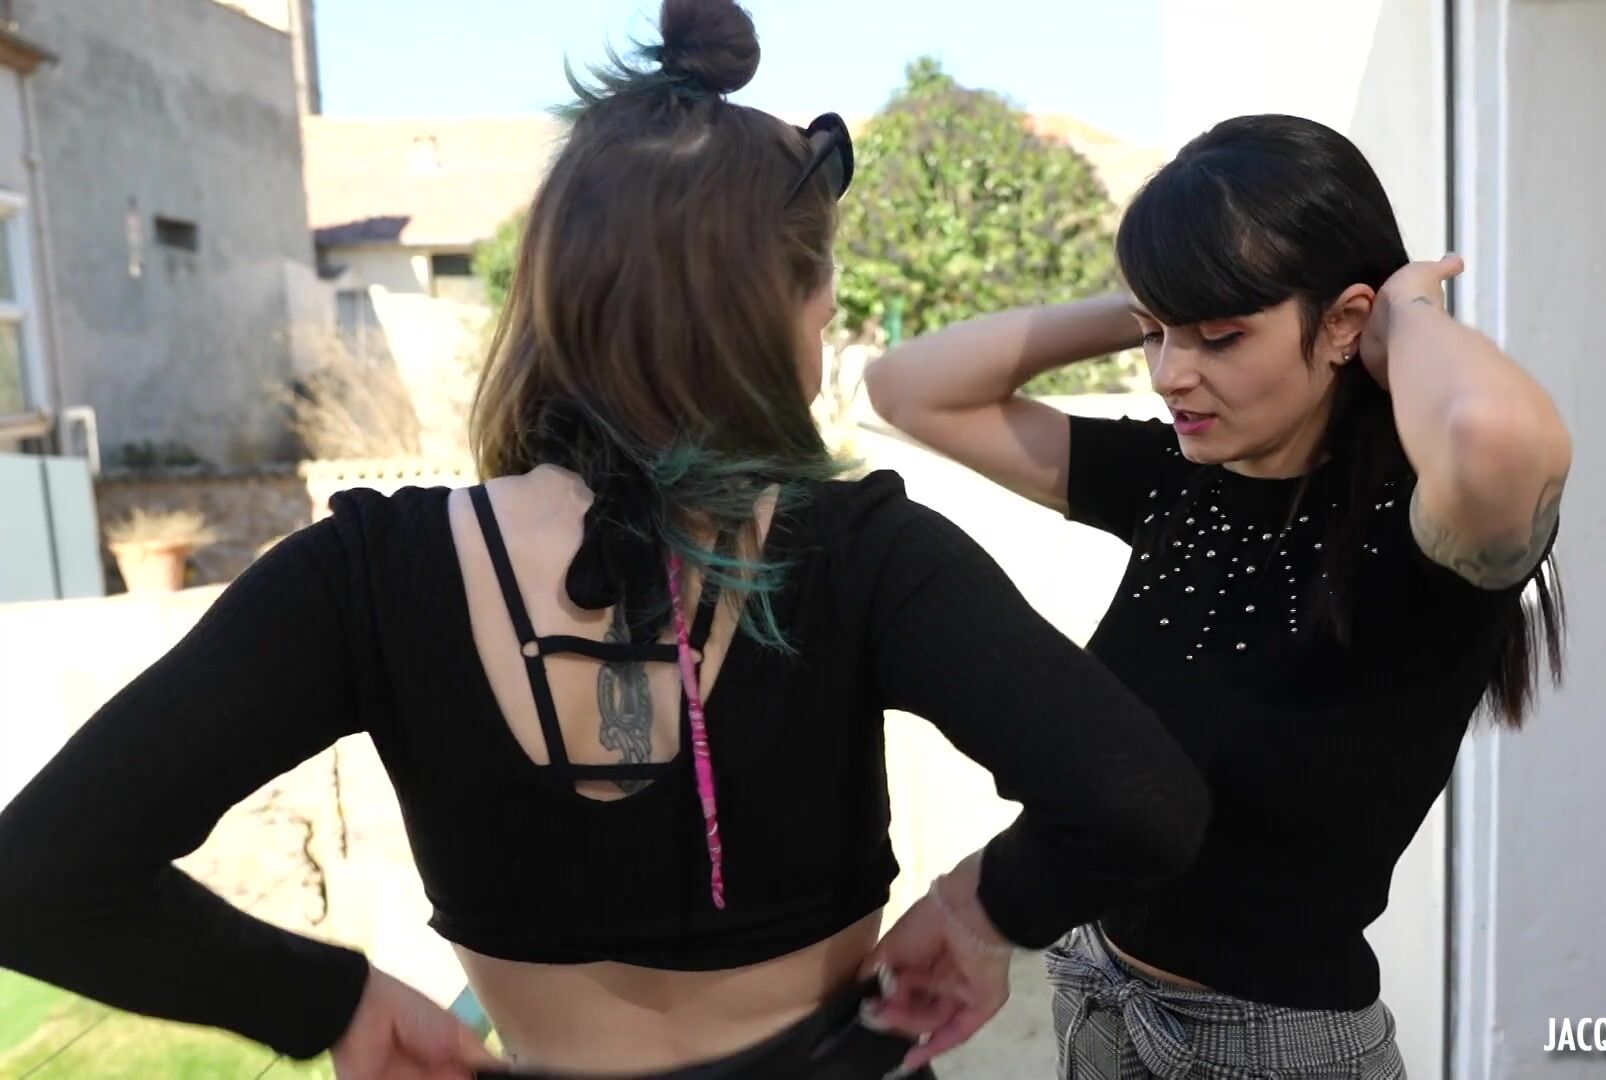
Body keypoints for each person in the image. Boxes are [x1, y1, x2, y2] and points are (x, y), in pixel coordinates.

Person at [0, 3, 1211, 1076]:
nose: (823, 331)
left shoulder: (361, 576)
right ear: (767, 313)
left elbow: (39, 878)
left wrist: (331, 1002)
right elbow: (1139, 798)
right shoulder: (864, 553)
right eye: (821, 300)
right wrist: (986, 911)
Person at [866, 113, 1571, 1078]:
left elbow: (1495, 433)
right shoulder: (1177, 476)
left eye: (1220, 336)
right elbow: (907, 387)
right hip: (1096, 993)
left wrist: (1409, 315)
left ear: (1343, 324)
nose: (1169, 374)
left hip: (1274, 1051)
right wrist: (1165, 295)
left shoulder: (1423, 532)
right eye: (1154, 336)